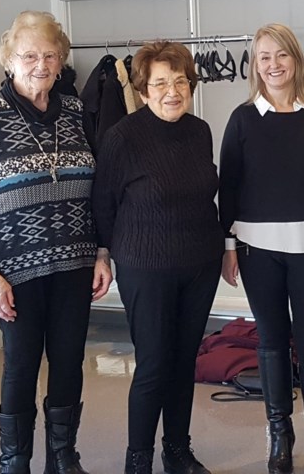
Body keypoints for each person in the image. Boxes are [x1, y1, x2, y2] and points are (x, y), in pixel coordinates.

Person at [0, 11, 113, 474]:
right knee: (20, 368)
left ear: (61, 61)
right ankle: (14, 460)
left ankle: (63, 457)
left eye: (49, 55)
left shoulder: (80, 113)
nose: (39, 64)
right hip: (14, 273)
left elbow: (100, 189)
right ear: (9, 60)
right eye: (28, 55)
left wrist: (102, 252)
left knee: (68, 364)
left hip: (76, 267)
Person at [219, 23, 304, 474]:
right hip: (257, 249)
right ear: (255, 66)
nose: (273, 65)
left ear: (295, 60)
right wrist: (229, 245)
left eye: (281, 55)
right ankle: (280, 433)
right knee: (272, 344)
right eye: (263, 58)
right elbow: (229, 188)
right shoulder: (242, 118)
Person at [92, 41, 223, 474]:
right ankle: (139, 457)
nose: (172, 91)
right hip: (145, 266)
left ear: (191, 85)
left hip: (199, 264)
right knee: (153, 363)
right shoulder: (123, 137)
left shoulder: (200, 130)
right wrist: (104, 255)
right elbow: (104, 202)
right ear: (144, 90)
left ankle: (178, 450)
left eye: (180, 81)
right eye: (161, 83)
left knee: (184, 360)